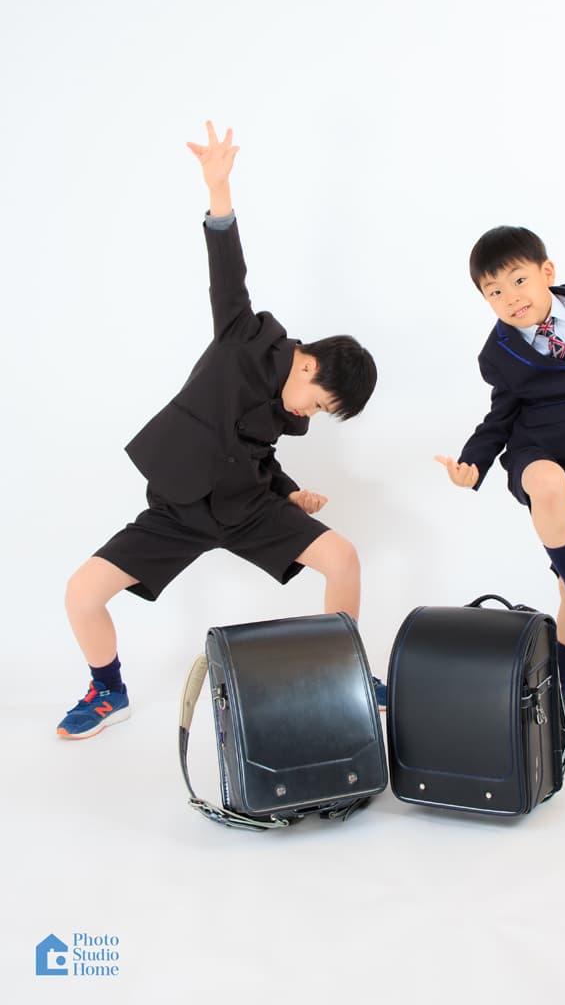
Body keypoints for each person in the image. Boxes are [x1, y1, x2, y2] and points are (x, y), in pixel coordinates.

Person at [58, 121, 383, 739]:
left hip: (249, 509)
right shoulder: (244, 337)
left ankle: (348, 673)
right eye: (319, 405)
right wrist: (219, 190)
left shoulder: (286, 409)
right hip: (179, 509)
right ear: (307, 365)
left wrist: (289, 493)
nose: (310, 416)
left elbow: (253, 454)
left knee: (343, 558)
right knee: (81, 592)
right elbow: (227, 273)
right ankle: (107, 691)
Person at [436, 225, 565, 702]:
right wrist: (473, 461)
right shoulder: (499, 353)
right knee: (547, 485)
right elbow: (499, 417)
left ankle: (557, 696)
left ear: (547, 272)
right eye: (494, 292)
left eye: (519, 280)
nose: (510, 298)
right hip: (533, 448)